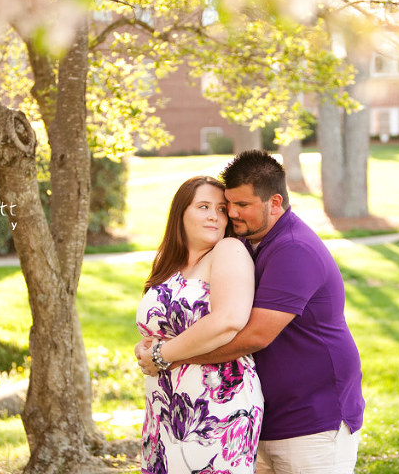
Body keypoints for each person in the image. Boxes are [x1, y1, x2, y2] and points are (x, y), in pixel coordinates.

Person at [137, 150, 364, 474]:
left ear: (274, 203)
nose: (231, 213)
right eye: (230, 203)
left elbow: (253, 334)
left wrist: (169, 357)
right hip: (266, 414)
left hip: (312, 416)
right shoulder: (251, 243)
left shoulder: (292, 248)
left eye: (241, 205)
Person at [135, 175, 264, 474]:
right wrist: (144, 348)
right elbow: (159, 329)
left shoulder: (228, 250)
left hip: (216, 407)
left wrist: (160, 355)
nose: (214, 216)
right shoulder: (170, 266)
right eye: (203, 206)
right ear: (180, 215)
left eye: (221, 209)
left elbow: (228, 321)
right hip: (164, 407)